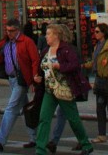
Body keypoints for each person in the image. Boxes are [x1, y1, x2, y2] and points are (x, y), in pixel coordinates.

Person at [0, 17, 40, 152]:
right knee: (25, 108)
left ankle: (1, 139)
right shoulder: (4, 43)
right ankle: (35, 138)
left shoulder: (27, 42)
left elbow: (35, 60)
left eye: (12, 30)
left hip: (22, 80)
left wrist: (33, 78)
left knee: (11, 108)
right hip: (12, 79)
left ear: (18, 30)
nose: (9, 33)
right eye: (7, 30)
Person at [34, 22, 92, 155]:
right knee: (44, 118)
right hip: (50, 90)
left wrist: (60, 67)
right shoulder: (45, 51)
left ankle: (86, 144)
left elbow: (75, 65)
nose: (46, 36)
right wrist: (38, 77)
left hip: (64, 89)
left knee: (73, 119)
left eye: (49, 34)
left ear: (56, 36)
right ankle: (40, 149)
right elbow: (41, 68)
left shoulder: (66, 49)